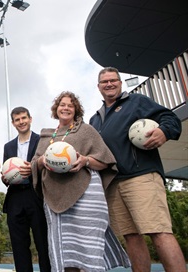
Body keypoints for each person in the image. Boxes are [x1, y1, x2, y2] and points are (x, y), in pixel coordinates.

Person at [89, 67, 186, 272]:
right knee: (131, 236)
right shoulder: (95, 120)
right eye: (104, 81)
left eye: (113, 80)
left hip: (141, 177)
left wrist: (163, 131)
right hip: (113, 183)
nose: (109, 84)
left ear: (120, 83)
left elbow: (170, 118)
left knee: (158, 230)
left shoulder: (136, 102)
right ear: (98, 87)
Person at [31, 91, 130, 272]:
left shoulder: (86, 131)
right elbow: (34, 163)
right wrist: (41, 162)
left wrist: (85, 161)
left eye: (70, 105)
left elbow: (106, 161)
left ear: (76, 110)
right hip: (55, 201)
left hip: (86, 197)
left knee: (87, 249)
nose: (66, 108)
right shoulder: (46, 135)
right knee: (66, 254)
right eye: (62, 104)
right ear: (56, 109)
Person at [2, 107, 50, 272]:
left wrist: (34, 169)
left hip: (36, 195)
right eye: (17, 119)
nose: (21, 122)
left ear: (30, 119)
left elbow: (48, 166)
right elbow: (6, 172)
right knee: (19, 245)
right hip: (15, 197)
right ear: (13, 123)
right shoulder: (8, 147)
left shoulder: (42, 140)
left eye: (24, 118)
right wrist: (5, 178)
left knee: (43, 243)